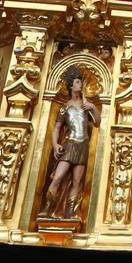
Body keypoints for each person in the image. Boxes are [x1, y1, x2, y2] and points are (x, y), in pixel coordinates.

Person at [42, 66, 99, 218]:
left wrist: (93, 108)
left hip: (83, 145)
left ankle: (70, 212)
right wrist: (55, 146)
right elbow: (57, 128)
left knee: (77, 181)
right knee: (58, 177)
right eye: (78, 82)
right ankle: (47, 209)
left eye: (81, 82)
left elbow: (97, 123)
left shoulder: (86, 105)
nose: (80, 85)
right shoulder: (65, 107)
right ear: (71, 86)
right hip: (70, 144)